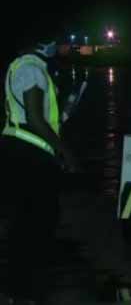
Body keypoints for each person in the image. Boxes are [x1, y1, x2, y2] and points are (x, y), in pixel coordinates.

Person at [1, 34, 79, 304]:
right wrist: (65, 151)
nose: (58, 48)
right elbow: (35, 117)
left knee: (25, 223)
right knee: (37, 224)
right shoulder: (32, 68)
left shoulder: (22, 67)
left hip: (21, 152)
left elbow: (34, 115)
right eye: (56, 43)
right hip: (29, 156)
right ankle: (24, 291)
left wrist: (65, 112)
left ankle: (17, 289)